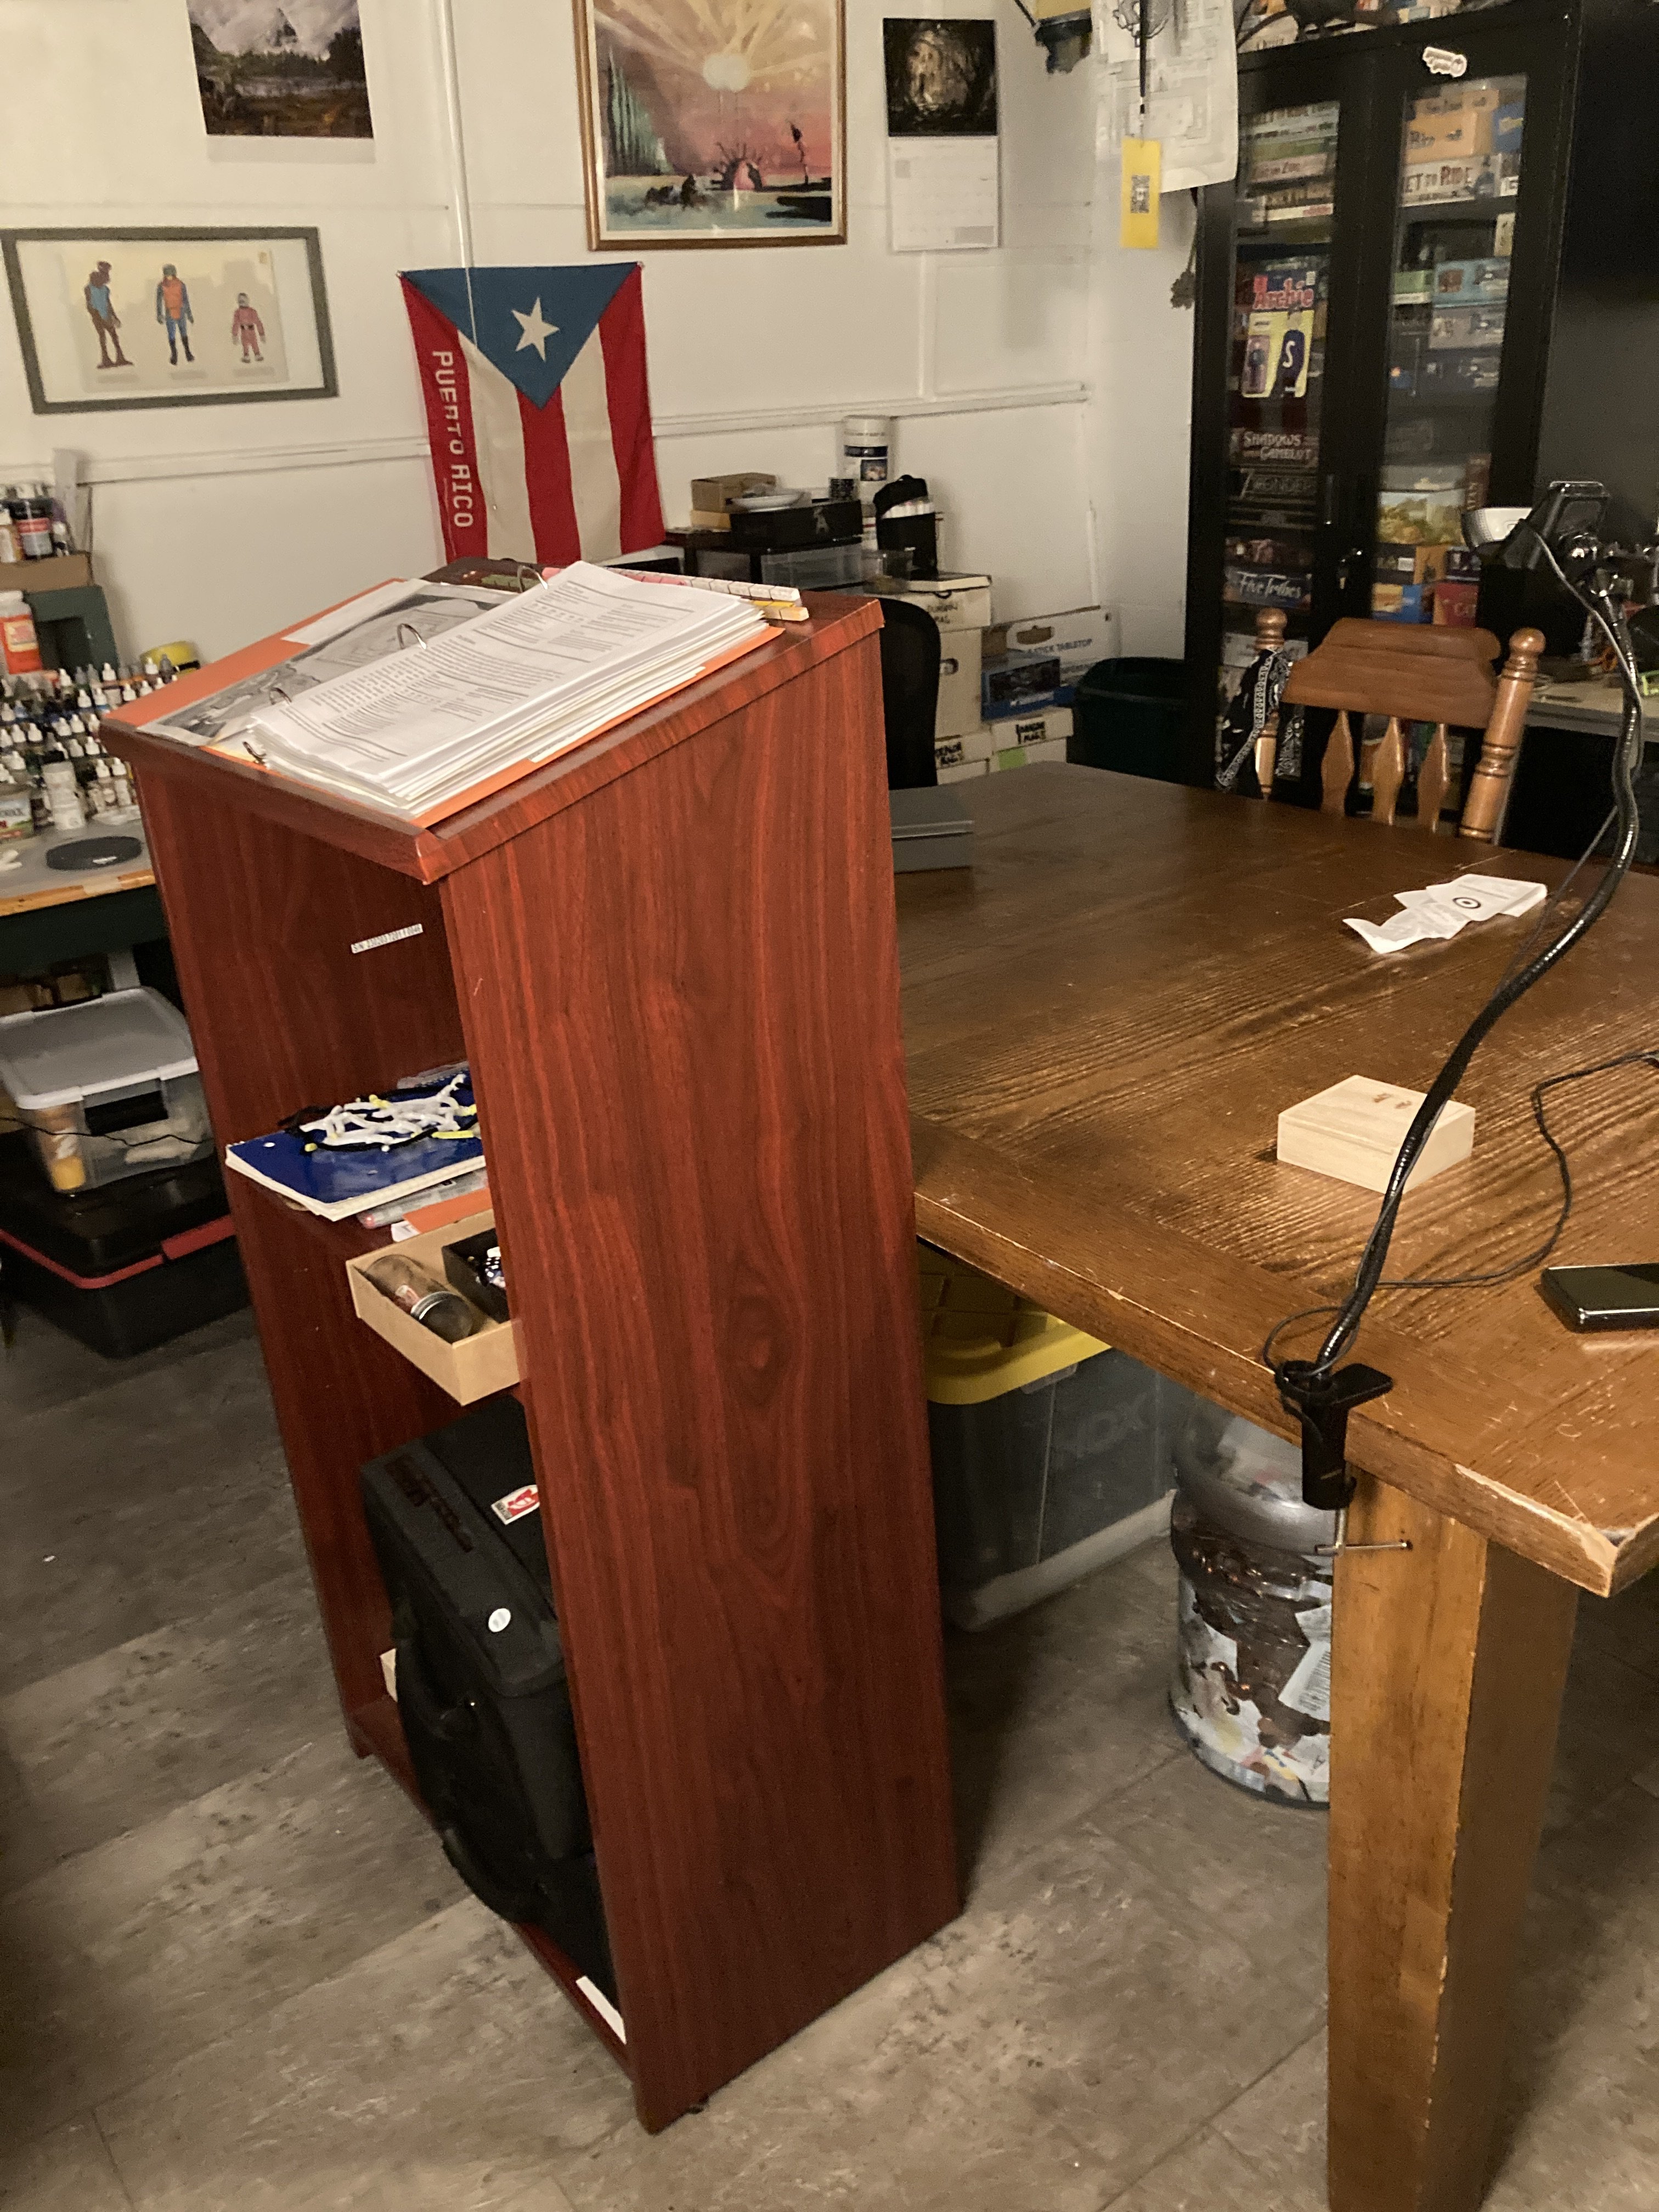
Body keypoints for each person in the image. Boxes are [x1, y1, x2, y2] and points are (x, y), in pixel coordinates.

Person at [83, 261, 130, 370]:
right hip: (97, 317)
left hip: (106, 316)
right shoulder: (89, 289)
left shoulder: (105, 289)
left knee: (114, 337)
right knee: (103, 337)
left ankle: (120, 358)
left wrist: (114, 317)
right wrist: (95, 315)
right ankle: (106, 359)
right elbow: (89, 305)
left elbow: (108, 304)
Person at [155, 264, 195, 365]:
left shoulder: (181, 285)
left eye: (170, 275)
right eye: (167, 275)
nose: (169, 277)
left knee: (184, 333)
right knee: (172, 335)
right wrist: (159, 314)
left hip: (181, 311)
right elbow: (159, 302)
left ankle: (188, 353)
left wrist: (189, 314)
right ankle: (174, 355)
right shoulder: (161, 286)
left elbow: (185, 300)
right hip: (170, 312)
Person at [230, 291, 266, 363]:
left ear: (247, 300)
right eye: (240, 300)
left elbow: (258, 323)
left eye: (243, 300)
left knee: (254, 343)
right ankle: (246, 356)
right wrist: (235, 335)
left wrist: (262, 334)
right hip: (243, 332)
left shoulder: (252, 311)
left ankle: (257, 354)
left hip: (251, 331)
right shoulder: (237, 313)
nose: (242, 302)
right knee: (245, 344)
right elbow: (236, 324)